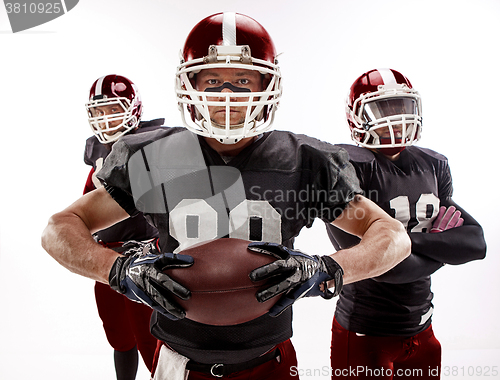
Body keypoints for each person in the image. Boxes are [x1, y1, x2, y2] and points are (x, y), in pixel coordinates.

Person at [41, 14, 411, 380]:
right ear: (190, 85)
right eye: (213, 80)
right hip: (178, 361)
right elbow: (59, 228)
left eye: (243, 80)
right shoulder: (151, 157)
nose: (228, 95)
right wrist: (117, 270)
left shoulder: (305, 160)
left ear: (268, 84)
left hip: (273, 360)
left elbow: (392, 235)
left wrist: (328, 269)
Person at [327, 68, 487, 379]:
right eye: (384, 108)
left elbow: (475, 243)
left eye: (402, 106)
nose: (396, 117)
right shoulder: (346, 167)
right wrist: (443, 246)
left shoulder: (432, 164)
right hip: (366, 334)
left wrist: (403, 242)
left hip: (423, 330)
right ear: (356, 116)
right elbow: (389, 269)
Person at [83, 74, 163, 380]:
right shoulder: (98, 149)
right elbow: (88, 195)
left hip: (144, 258)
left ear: (133, 109)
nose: (105, 119)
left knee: (152, 342)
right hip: (106, 259)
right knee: (119, 335)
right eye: (99, 112)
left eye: (113, 110)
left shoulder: (149, 145)